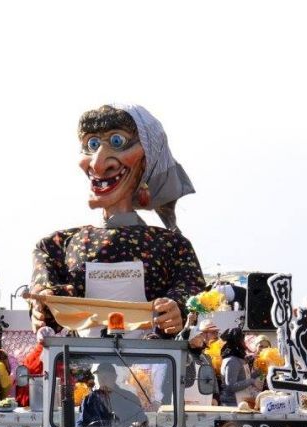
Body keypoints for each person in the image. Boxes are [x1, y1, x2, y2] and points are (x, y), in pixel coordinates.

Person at [29, 104, 205, 338]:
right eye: (92, 145)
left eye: (117, 142)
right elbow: (47, 301)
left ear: (147, 158)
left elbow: (193, 297)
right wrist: (42, 305)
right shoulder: (56, 246)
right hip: (81, 366)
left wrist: (177, 308)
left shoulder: (172, 246)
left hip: (153, 369)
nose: (99, 162)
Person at [78, 363, 148, 427]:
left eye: (106, 376)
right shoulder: (89, 400)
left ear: (114, 377)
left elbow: (143, 420)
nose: (102, 380)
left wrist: (136, 424)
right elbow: (81, 424)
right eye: (100, 376)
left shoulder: (129, 398)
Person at [219, 328, 259, 407]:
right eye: (242, 340)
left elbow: (242, 379)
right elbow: (231, 386)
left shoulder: (237, 358)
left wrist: (258, 373)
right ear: (238, 342)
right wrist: (251, 381)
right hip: (232, 405)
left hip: (241, 402)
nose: (244, 343)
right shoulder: (232, 360)